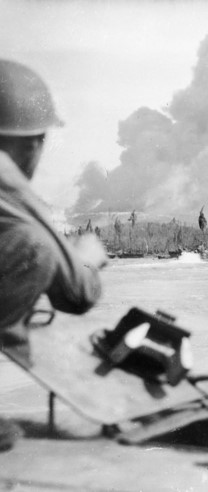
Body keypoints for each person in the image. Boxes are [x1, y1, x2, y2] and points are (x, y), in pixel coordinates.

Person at [0, 60, 107, 449]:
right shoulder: (6, 178)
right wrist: (87, 258)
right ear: (31, 142)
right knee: (35, 246)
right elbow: (78, 293)